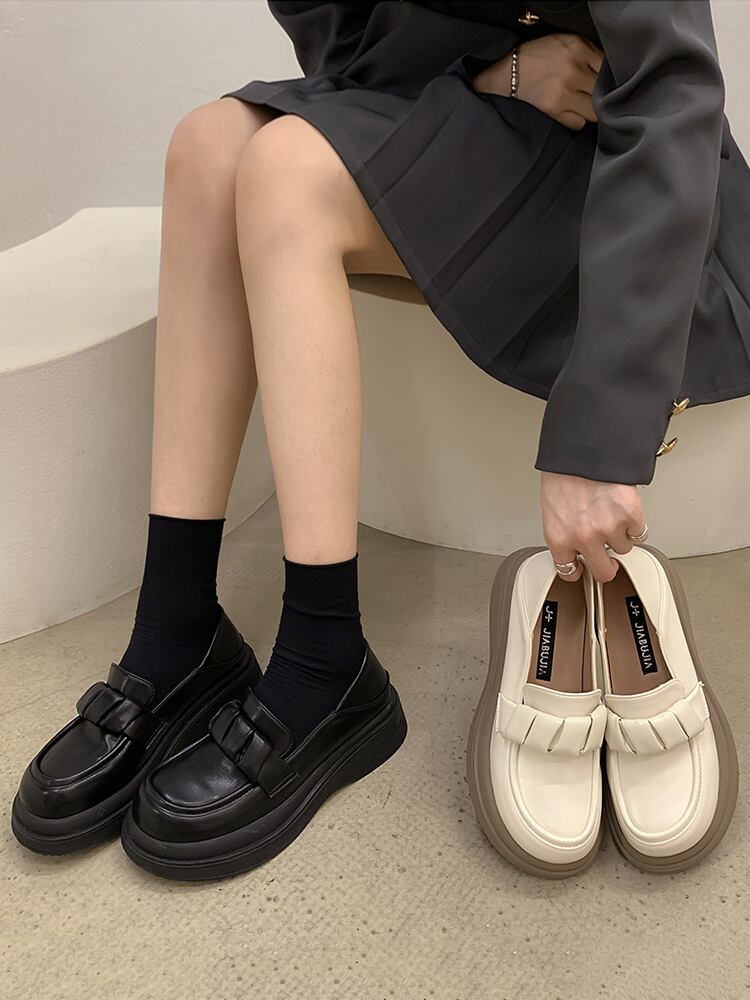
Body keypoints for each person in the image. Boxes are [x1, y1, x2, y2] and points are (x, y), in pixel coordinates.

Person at [12, 1, 749, 879]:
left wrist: (599, 435)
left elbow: (671, 90)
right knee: (205, 148)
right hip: (480, 114)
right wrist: (497, 77)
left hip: (616, 171)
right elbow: (345, 51)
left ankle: (323, 658)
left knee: (285, 168)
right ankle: (177, 631)